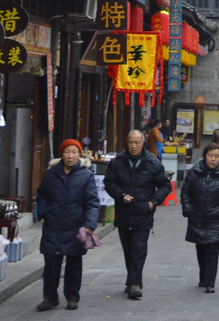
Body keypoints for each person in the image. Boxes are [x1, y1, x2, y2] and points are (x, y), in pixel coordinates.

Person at [103, 129, 172, 300]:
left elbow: (165, 185)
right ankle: (132, 280)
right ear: (126, 143)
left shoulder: (152, 163)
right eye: (131, 142)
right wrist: (120, 195)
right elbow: (109, 182)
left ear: (143, 143)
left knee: (138, 249)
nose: (134, 146)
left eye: (137, 142)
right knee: (128, 250)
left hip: (143, 212)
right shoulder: (118, 162)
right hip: (124, 213)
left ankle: (134, 283)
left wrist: (153, 202)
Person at [34, 139, 99, 311]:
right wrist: (44, 211)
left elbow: (92, 202)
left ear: (79, 154)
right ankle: (50, 297)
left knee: (73, 264)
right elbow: (42, 195)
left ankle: (72, 297)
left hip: (75, 226)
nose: (70, 156)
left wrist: (90, 224)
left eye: (74, 152)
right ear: (61, 154)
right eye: (67, 152)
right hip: (53, 225)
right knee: (51, 264)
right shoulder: (51, 174)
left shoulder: (86, 176)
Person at [182, 142, 219, 293]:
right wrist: (188, 209)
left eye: (216, 156)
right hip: (197, 217)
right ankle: (203, 277)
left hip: (216, 218)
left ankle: (210, 282)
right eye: (210, 155)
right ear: (205, 156)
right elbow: (185, 191)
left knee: (212, 250)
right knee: (201, 248)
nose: (213, 159)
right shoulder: (195, 172)